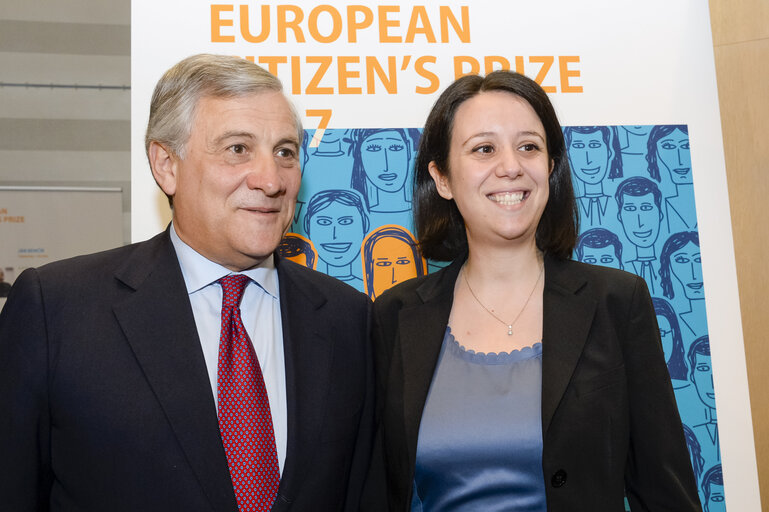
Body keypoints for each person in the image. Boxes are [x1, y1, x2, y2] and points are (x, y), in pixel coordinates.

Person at [0, 54, 372, 511]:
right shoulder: (56, 310)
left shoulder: (347, 317)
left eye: (285, 152)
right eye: (238, 149)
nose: (271, 180)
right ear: (166, 165)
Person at [362, 70, 700, 511]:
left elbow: (664, 492)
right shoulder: (395, 316)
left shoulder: (617, 303)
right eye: (484, 149)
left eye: (529, 147)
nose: (511, 166)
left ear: (551, 167)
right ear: (441, 177)